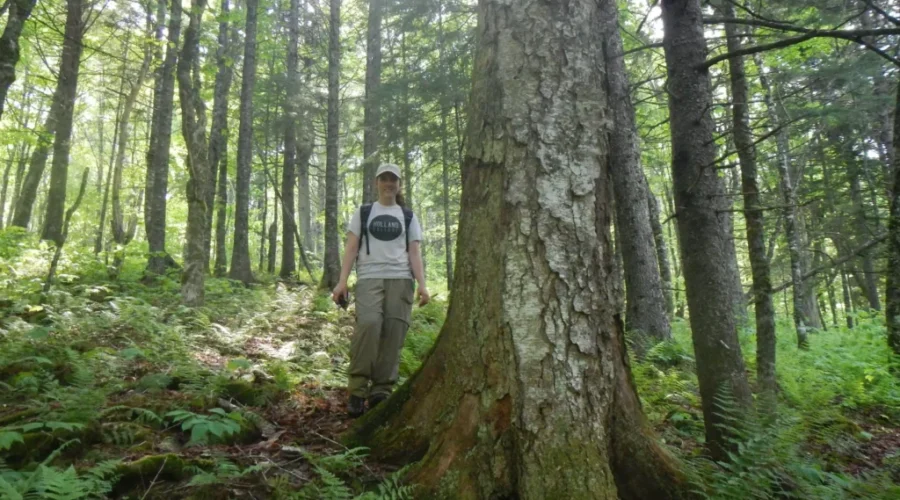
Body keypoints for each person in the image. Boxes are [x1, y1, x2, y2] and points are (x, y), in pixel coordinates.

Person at [332, 163, 430, 417]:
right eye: (384, 179)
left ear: (399, 184)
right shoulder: (364, 212)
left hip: (401, 280)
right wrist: (342, 282)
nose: (389, 184)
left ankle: (381, 391)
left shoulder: (407, 216)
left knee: (393, 332)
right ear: (377, 183)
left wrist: (423, 285)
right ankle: (357, 390)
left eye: (393, 180)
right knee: (369, 325)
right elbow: (351, 248)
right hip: (369, 278)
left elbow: (415, 252)